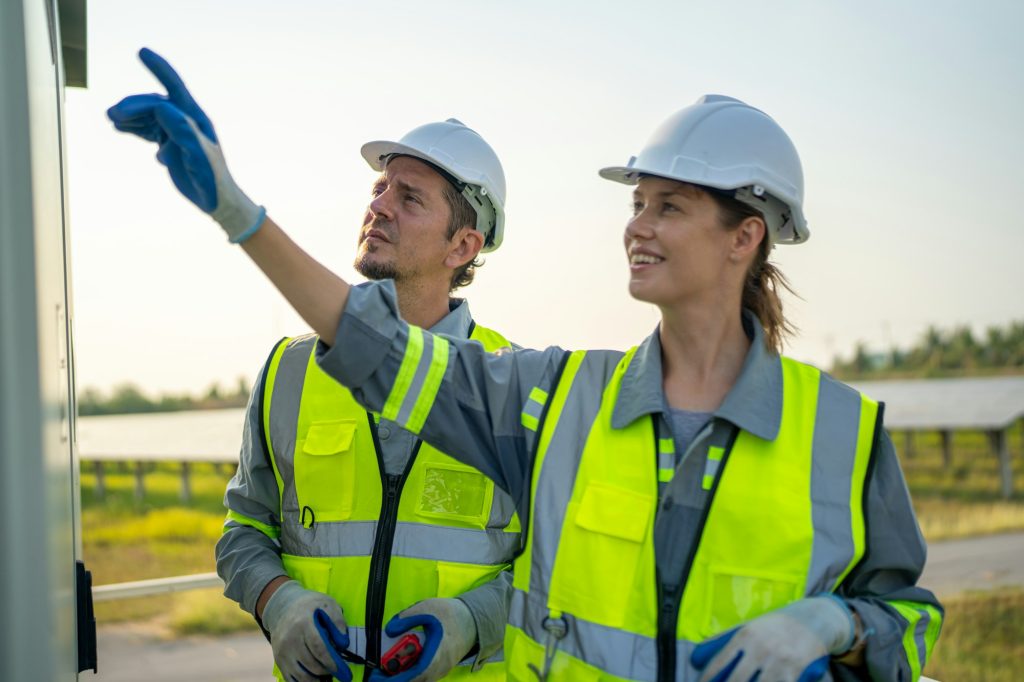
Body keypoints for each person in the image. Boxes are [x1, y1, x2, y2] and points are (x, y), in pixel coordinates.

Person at [109, 49, 943, 682]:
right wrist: (236, 209)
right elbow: (375, 349)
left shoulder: (842, 432)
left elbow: (909, 616)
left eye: (671, 207)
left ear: (745, 235)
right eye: (636, 204)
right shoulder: (559, 399)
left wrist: (834, 626)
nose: (637, 227)